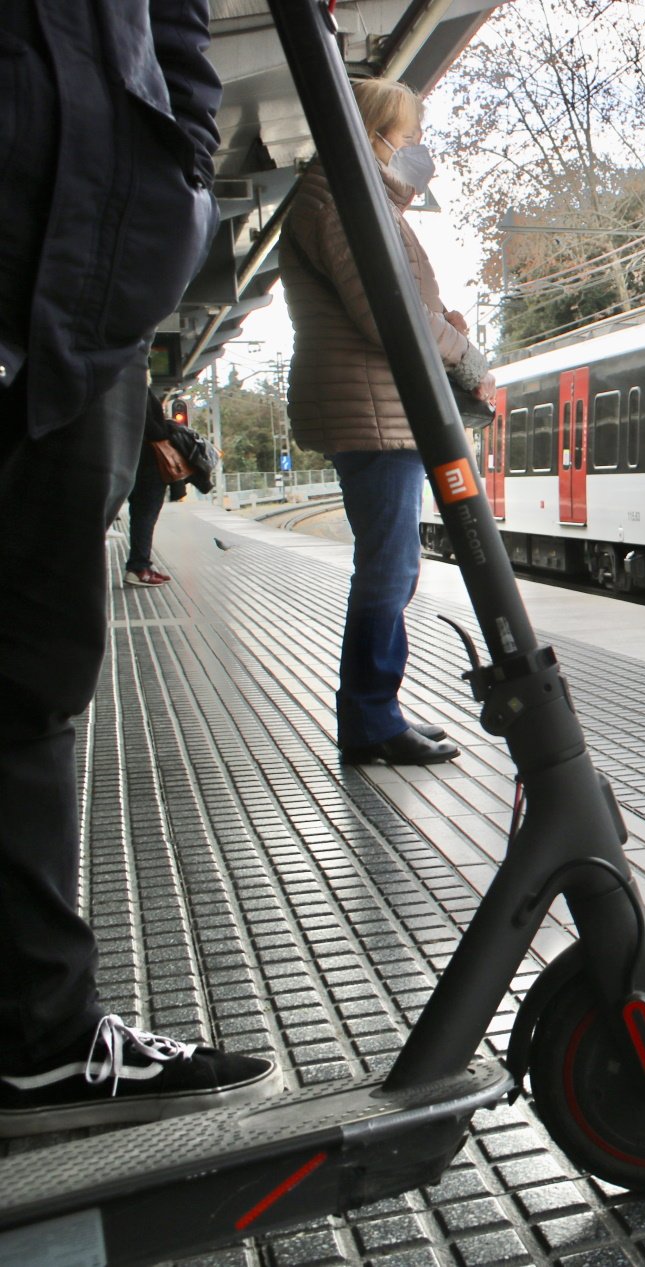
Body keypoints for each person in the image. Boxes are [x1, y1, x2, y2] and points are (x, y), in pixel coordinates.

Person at [0, 0, 278, 1136]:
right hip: (55, 267)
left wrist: (175, 170)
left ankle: (38, 1038)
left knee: (31, 684)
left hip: (79, 307)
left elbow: (172, 38)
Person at [281, 77, 491, 767]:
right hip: (369, 406)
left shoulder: (348, 196)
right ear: (371, 133)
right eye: (402, 137)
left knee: (391, 565)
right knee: (389, 566)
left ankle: (379, 709)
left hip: (377, 403)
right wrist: (465, 354)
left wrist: (446, 331)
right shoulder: (342, 199)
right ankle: (371, 719)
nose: (412, 150)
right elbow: (386, 312)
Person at [124, 389, 184, 588]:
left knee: (141, 515)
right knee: (145, 515)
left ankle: (141, 565)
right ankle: (138, 568)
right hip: (146, 464)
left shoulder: (124, 383)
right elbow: (151, 428)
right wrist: (169, 427)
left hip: (133, 460)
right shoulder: (137, 387)